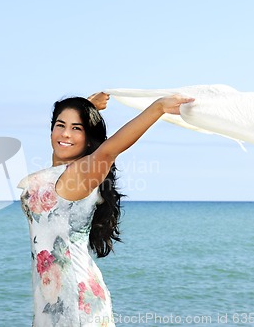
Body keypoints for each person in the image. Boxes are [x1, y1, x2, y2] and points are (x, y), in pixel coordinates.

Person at [18, 92, 194, 326]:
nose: (65, 134)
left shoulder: (83, 172)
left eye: (77, 128)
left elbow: (109, 150)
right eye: (60, 125)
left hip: (76, 299)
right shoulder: (60, 170)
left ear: (89, 138)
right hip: (51, 298)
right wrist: (87, 107)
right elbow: (62, 152)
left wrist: (157, 108)